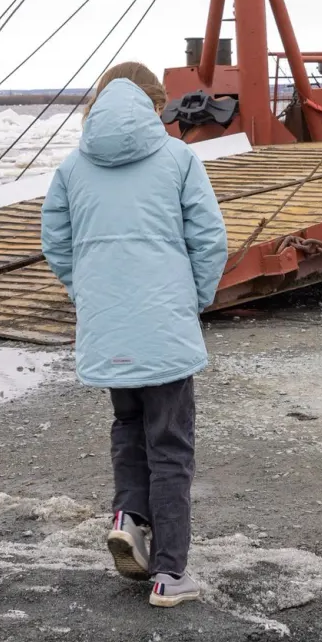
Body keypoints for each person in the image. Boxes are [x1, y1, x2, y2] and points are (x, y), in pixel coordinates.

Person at [40, 62, 228, 609]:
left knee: (128, 424)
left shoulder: (73, 167)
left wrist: (88, 292)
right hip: (164, 325)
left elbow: (55, 242)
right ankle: (170, 574)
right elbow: (209, 238)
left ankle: (128, 516)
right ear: (155, 104)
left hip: (109, 326)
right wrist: (193, 299)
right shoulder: (178, 159)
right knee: (170, 444)